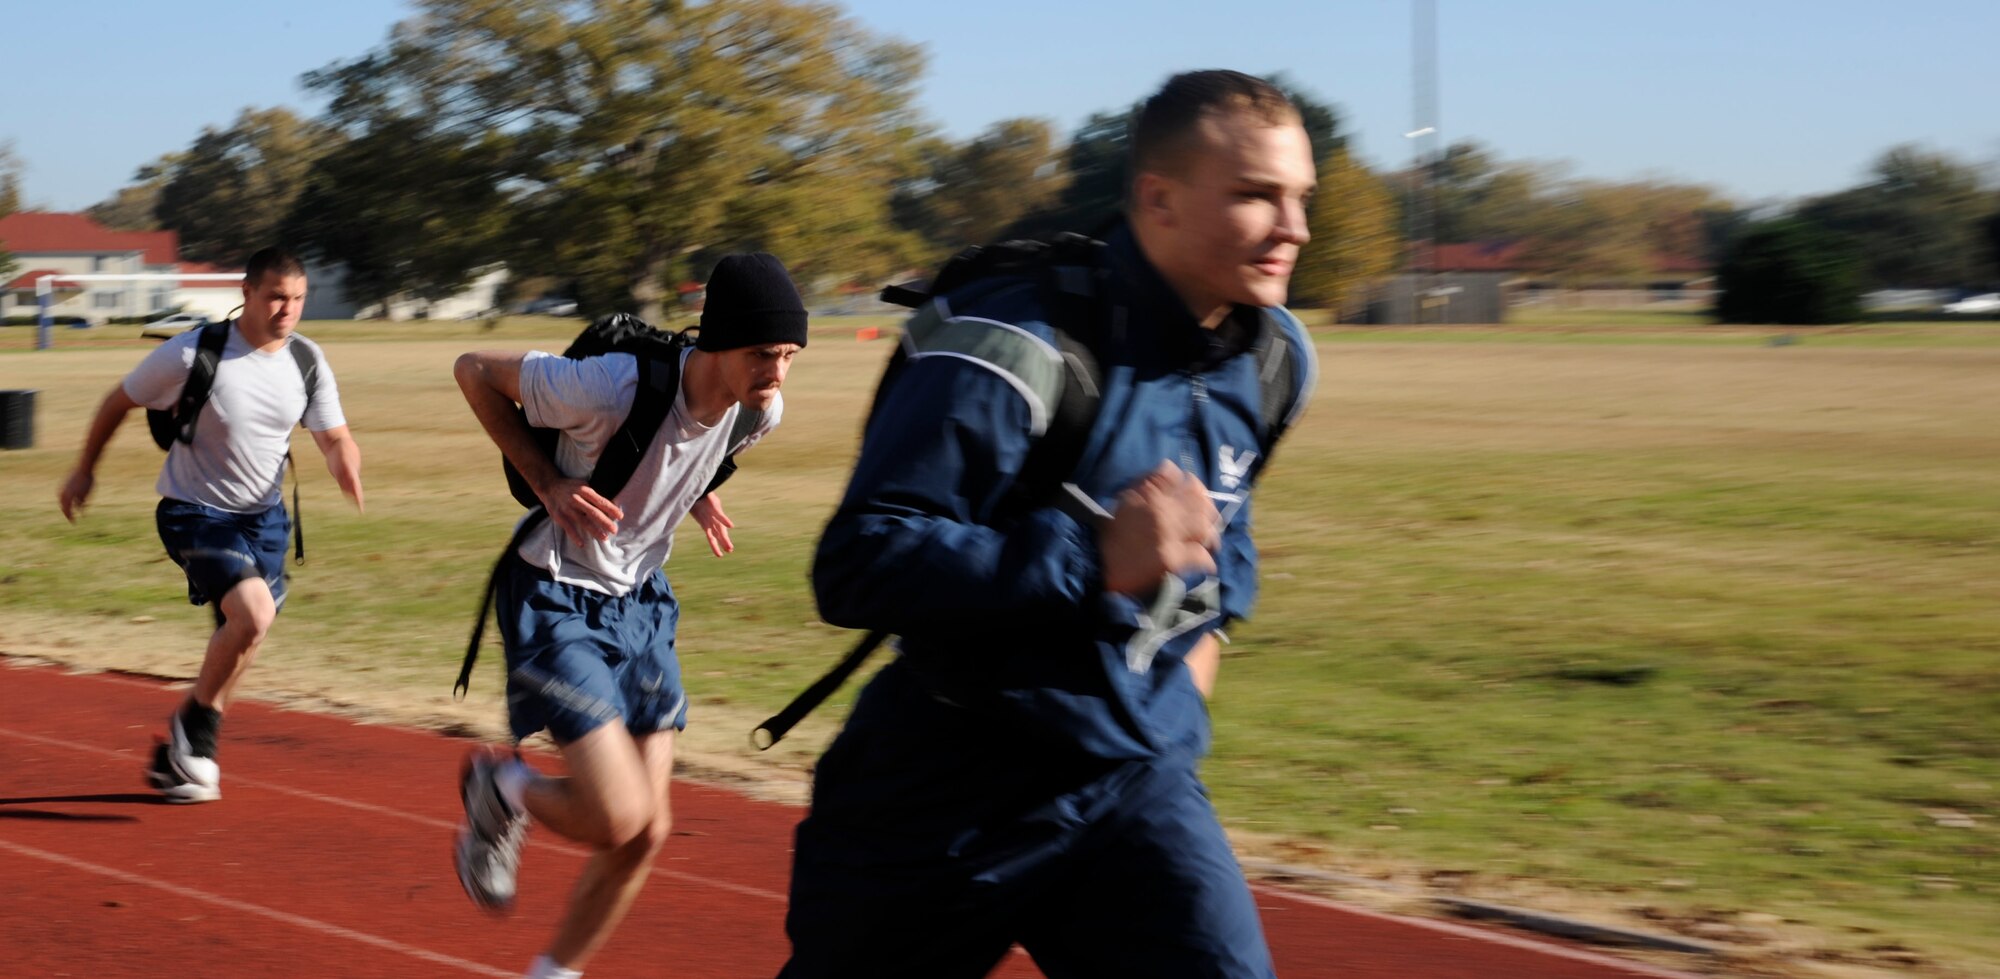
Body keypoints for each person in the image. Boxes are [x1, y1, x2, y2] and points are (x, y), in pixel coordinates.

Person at [778, 70, 1318, 978]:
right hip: (940, 796)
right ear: (1159, 199)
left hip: (1130, 792)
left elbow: (1220, 548)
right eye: (1257, 195)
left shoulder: (1274, 360)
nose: (1293, 227)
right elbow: (860, 560)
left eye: (1301, 196)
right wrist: (1090, 557)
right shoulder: (1011, 344)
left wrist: (1168, 699)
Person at [451, 253, 806, 979]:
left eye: (790, 355)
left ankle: (553, 973)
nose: (777, 372)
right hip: (555, 590)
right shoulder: (610, 387)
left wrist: (690, 490)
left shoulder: (756, 410)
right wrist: (547, 480)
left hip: (641, 601)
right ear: (719, 341)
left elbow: (696, 450)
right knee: (617, 815)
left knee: (648, 832)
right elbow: (472, 370)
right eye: (764, 353)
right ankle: (502, 788)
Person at [57, 247, 365, 804]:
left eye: (297, 299)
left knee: (245, 632)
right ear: (245, 294)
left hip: (265, 520)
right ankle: (196, 737)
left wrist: (344, 459)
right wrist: (84, 470)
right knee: (253, 613)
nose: (286, 310)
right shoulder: (192, 353)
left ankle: (182, 747)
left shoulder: (307, 360)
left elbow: (334, 434)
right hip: (193, 510)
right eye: (275, 296)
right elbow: (115, 402)